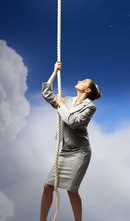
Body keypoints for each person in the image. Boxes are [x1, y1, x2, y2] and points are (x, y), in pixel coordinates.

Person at [39, 61, 102, 221]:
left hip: (80, 152)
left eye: (84, 81)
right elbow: (46, 95)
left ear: (87, 90)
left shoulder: (90, 107)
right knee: (48, 186)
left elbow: (73, 122)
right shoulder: (66, 100)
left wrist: (60, 105)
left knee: (71, 190)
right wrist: (54, 72)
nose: (80, 80)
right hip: (65, 151)